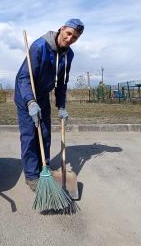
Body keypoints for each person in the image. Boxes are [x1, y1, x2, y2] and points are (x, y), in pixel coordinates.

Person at [14, 18, 84, 191]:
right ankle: (31, 175)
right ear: (61, 29)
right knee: (30, 135)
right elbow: (23, 77)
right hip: (26, 94)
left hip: (44, 95)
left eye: (74, 37)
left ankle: (43, 167)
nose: (70, 39)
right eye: (68, 34)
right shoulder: (39, 46)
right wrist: (30, 102)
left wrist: (61, 106)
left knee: (45, 133)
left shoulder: (69, 55)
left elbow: (62, 83)